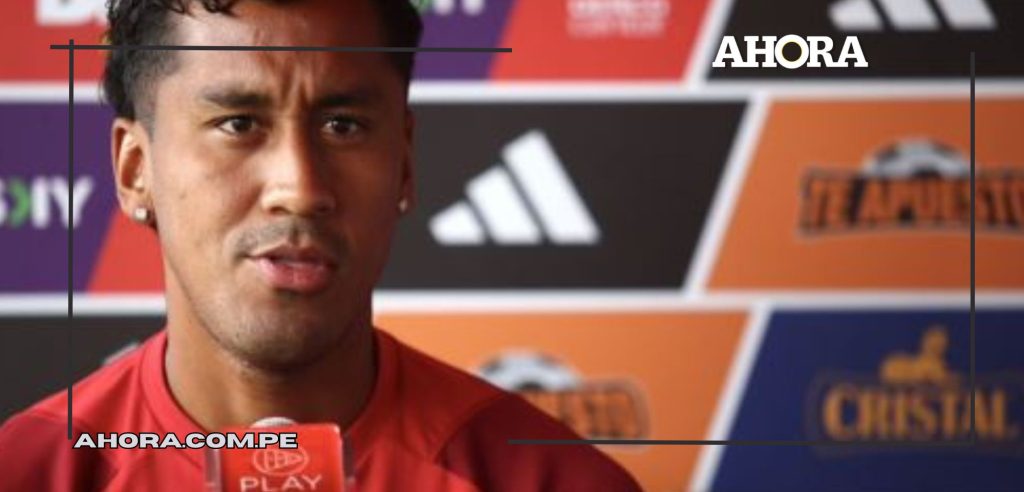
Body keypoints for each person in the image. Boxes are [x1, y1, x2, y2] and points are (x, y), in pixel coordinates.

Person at [0, 0, 641, 490]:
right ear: (135, 169)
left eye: (343, 125)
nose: (300, 188)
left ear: (404, 164)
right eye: (238, 124)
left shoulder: (554, 481)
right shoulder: (28, 472)